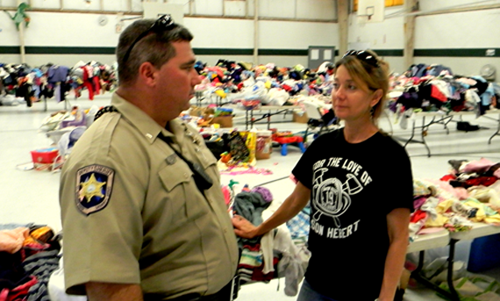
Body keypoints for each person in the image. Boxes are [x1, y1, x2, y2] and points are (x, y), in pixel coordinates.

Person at [59, 15, 239, 301]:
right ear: (149, 74)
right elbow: (110, 286)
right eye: (187, 68)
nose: (197, 79)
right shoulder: (106, 157)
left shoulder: (179, 131)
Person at [232, 49, 414, 301]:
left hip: (360, 288)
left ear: (375, 97)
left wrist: (385, 298)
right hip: (316, 281)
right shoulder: (323, 145)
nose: (338, 94)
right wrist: (258, 230)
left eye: (351, 87)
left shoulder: (390, 156)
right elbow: (296, 200)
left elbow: (399, 237)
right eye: (337, 84)